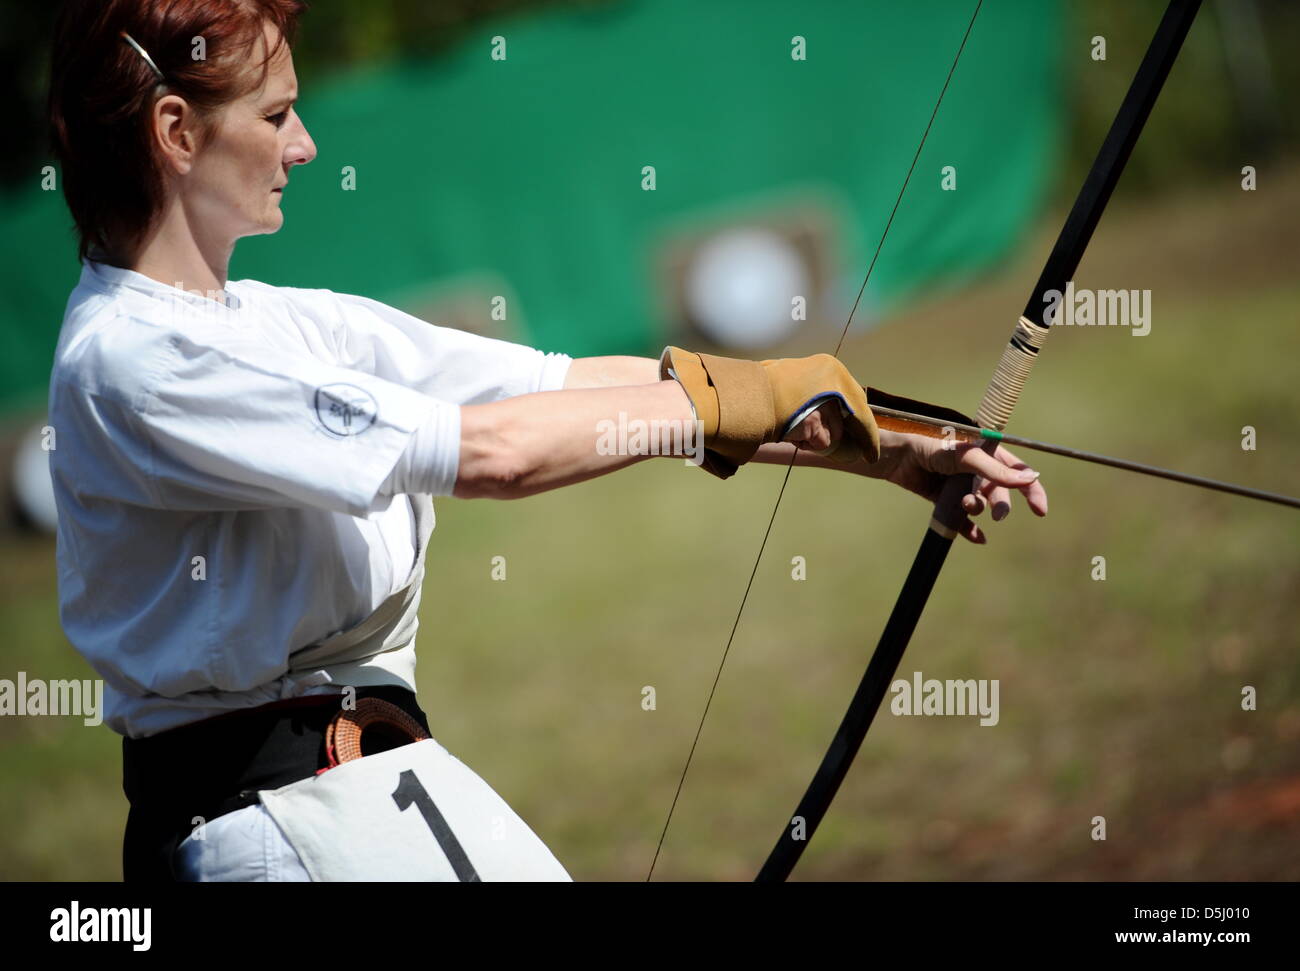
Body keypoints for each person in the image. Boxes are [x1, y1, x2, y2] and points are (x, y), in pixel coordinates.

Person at [45, 0, 1047, 882]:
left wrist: (883, 445)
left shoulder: (277, 323)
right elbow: (497, 452)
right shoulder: (135, 360)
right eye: (275, 116)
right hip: (276, 825)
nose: (303, 145)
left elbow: (566, 387)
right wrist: (743, 396)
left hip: (364, 791)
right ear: (176, 131)